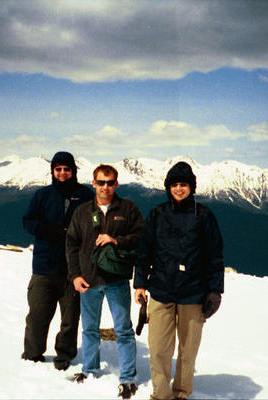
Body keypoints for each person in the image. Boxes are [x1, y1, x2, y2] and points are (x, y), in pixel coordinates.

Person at [133, 161, 224, 400]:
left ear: (191, 187)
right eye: (175, 184)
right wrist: (140, 284)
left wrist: (215, 291)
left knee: (188, 350)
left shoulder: (203, 215)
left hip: (193, 294)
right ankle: (161, 395)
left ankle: (182, 393)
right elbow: (144, 252)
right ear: (168, 187)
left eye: (184, 184)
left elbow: (215, 256)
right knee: (158, 349)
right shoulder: (158, 214)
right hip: (161, 290)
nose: (179, 189)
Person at [66, 164, 145, 399]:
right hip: (88, 280)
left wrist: (116, 240)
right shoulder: (82, 211)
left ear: (116, 184)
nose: (105, 187)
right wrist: (75, 276)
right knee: (90, 328)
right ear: (93, 183)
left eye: (110, 183)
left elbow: (141, 237)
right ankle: (89, 370)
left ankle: (128, 378)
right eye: (101, 182)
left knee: (123, 330)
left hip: (116, 279)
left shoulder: (128, 209)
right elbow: (71, 245)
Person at [21, 151, 93, 371]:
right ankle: (32, 355)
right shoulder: (43, 195)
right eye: (58, 169)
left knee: (70, 318)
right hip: (44, 267)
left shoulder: (85, 194)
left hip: (74, 270)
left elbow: (94, 221)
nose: (62, 173)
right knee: (38, 316)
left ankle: (64, 357)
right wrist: (46, 230)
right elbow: (28, 221)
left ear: (73, 171)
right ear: (53, 171)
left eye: (66, 169)